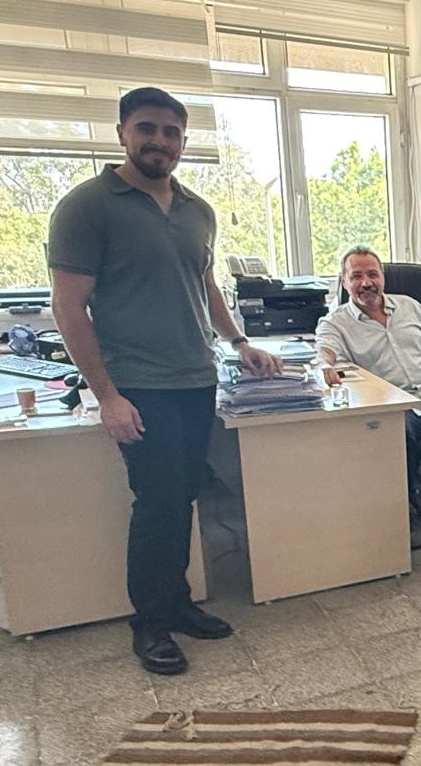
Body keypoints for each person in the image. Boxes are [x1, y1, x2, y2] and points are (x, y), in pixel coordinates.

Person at [49, 86, 283, 676]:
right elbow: (69, 308)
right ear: (122, 133)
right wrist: (107, 395)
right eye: (147, 129)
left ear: (183, 140)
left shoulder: (197, 210)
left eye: (172, 132)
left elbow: (205, 286)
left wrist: (239, 342)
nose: (160, 141)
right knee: (156, 504)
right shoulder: (87, 206)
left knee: (181, 497)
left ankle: (176, 603)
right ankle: (150, 623)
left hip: (196, 377)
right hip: (137, 383)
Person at [315, 247, 421, 548]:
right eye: (356, 276)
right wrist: (325, 365)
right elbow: (325, 350)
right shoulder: (336, 322)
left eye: (372, 274)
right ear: (344, 282)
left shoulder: (410, 306)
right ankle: (407, 511)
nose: (366, 283)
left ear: (383, 277)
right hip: (394, 405)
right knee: (395, 438)